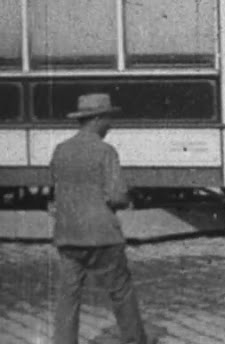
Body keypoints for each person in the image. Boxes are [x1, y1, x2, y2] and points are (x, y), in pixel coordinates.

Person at [50, 93, 150, 344]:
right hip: (103, 235)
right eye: (108, 119)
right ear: (96, 119)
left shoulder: (61, 150)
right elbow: (117, 196)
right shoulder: (106, 151)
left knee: (68, 295)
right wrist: (126, 198)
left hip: (68, 235)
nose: (110, 125)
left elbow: (57, 189)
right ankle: (134, 340)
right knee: (120, 291)